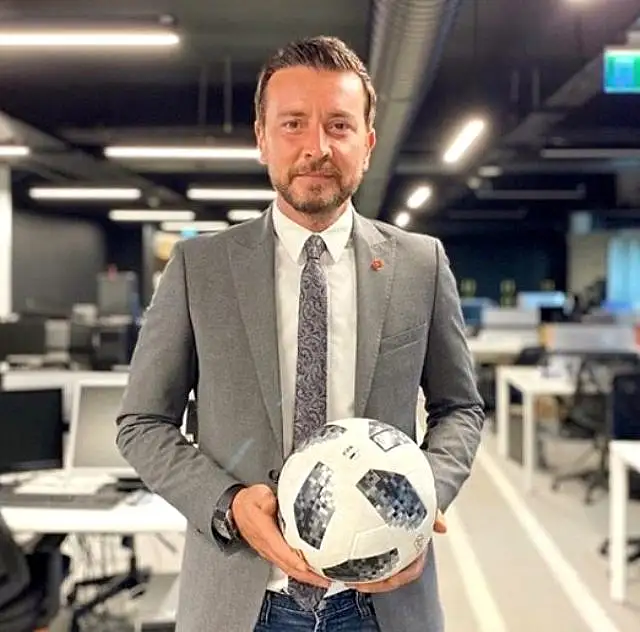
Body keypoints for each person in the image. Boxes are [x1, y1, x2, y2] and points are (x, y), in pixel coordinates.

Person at [116, 35, 484, 632]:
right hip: (240, 600)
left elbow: (460, 407)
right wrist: (227, 504)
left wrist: (421, 499)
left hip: (383, 603)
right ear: (262, 138)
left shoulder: (421, 264)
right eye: (293, 124)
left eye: (339, 125)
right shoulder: (198, 269)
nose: (317, 147)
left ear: (367, 143)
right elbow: (142, 422)